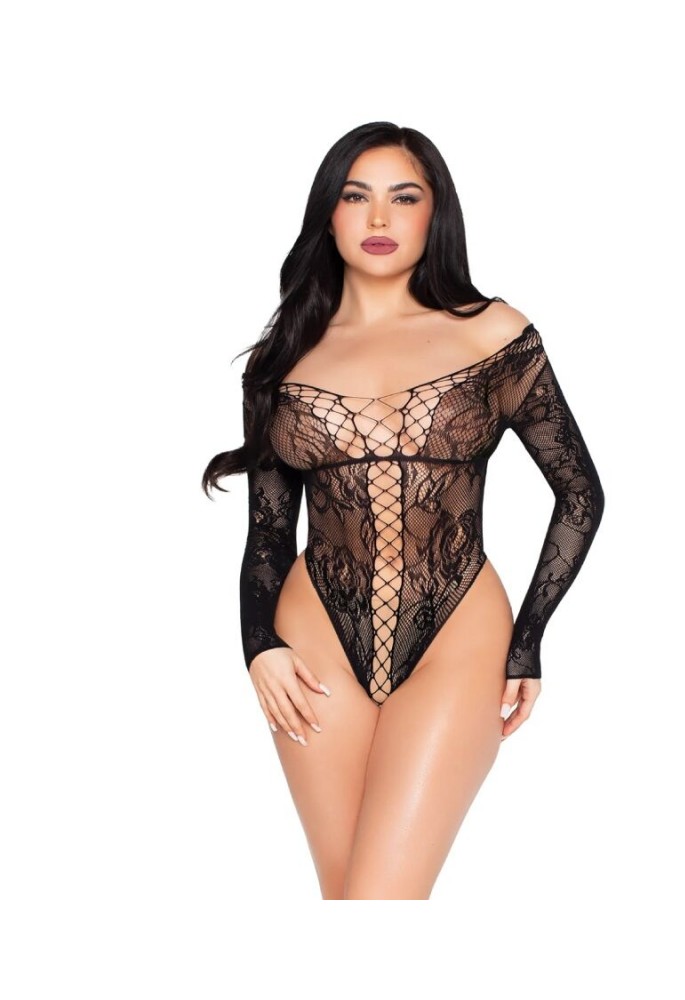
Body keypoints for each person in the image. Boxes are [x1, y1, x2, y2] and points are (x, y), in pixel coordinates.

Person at [202, 121, 605, 899]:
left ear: (435, 213)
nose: (380, 218)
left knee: (382, 899)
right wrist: (258, 646)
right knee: (347, 899)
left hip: (458, 624)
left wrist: (528, 641)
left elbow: (579, 492)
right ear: (329, 214)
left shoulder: (493, 333)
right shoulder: (282, 358)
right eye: (357, 197)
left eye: (404, 198)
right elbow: (268, 533)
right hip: (314, 631)